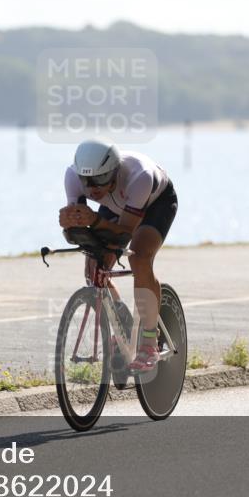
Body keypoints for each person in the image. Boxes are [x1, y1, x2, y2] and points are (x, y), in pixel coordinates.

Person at [58, 138, 178, 372]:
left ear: (114, 171)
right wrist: (69, 224)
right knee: (94, 267)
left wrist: (94, 220)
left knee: (139, 256)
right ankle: (123, 325)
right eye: (87, 181)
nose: (93, 188)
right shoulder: (72, 177)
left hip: (156, 204)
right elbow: (80, 227)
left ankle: (149, 342)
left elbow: (125, 234)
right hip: (116, 206)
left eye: (100, 179)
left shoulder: (139, 175)